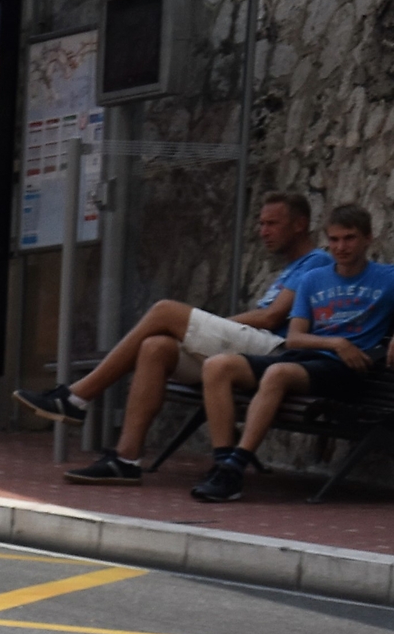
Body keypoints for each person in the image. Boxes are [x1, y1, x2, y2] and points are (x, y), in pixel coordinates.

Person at [22, 193, 328, 482]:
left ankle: (77, 396)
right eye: (261, 223)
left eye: (272, 223)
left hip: (274, 355)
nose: (263, 231)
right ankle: (125, 460)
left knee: (165, 312)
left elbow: (272, 318)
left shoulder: (315, 261)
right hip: (251, 351)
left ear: (300, 224)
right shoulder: (291, 268)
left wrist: (217, 324)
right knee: (156, 347)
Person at [189, 203, 394, 503]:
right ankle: (224, 465)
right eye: (334, 240)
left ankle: (235, 470)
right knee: (218, 366)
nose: (341, 247)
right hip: (309, 358)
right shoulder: (314, 279)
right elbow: (296, 338)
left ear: (368, 239)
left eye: (349, 238)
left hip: (348, 371)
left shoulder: (386, 277)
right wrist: (335, 342)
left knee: (277, 372)